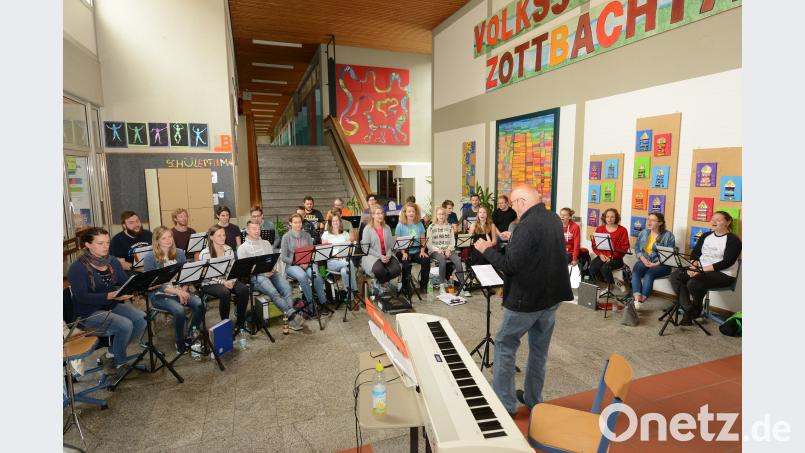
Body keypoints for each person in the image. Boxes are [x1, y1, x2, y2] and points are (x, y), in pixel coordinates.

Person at [473, 184, 572, 416]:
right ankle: (533, 398)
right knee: (539, 350)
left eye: (515, 205)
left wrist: (488, 249)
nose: (514, 210)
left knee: (505, 345)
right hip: (551, 296)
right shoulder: (553, 219)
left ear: (520, 202)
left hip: (527, 299)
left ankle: (505, 404)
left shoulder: (525, 226)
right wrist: (513, 238)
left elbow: (510, 266)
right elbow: (537, 251)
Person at [68, 227, 147, 379]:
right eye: (100, 243)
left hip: (110, 305)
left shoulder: (112, 261)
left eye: (107, 242)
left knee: (141, 319)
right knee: (125, 325)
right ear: (88, 245)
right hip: (87, 313)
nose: (105, 246)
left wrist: (137, 285)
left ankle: (111, 353)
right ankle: (119, 362)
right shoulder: (77, 268)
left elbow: (124, 282)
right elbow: (82, 296)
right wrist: (110, 296)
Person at [670, 211, 741, 325]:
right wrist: (693, 267)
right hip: (702, 270)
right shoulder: (705, 236)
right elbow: (695, 254)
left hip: (724, 274)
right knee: (676, 276)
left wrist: (700, 270)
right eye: (712, 219)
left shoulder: (733, 240)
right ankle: (690, 310)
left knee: (693, 283)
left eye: (718, 220)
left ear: (728, 222)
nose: (714, 222)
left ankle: (696, 308)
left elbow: (727, 262)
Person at [143, 226, 204, 353]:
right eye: (163, 238)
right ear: (157, 241)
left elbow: (187, 275)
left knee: (200, 305)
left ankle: (191, 333)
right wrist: (178, 292)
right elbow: (155, 283)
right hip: (160, 293)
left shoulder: (180, 253)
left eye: (170, 236)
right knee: (179, 310)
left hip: (180, 289)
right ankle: (180, 341)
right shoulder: (150, 257)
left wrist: (184, 290)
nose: (168, 240)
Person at [238, 220, 305, 331]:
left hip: (271, 272)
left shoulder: (266, 243)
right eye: (254, 229)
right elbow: (245, 269)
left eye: (258, 228)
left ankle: (288, 318)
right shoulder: (242, 248)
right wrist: (263, 272)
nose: (257, 231)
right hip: (256, 277)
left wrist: (272, 268)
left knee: (287, 288)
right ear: (247, 231)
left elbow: (271, 260)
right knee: (273, 292)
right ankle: (292, 315)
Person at [199, 225, 250, 333]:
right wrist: (223, 282)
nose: (223, 238)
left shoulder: (228, 249)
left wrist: (230, 281)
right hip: (210, 282)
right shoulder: (205, 253)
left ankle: (240, 323)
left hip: (228, 279)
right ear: (211, 237)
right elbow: (207, 276)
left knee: (244, 290)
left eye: (224, 235)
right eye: (219, 235)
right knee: (225, 293)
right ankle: (225, 324)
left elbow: (232, 269)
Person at [281, 214, 328, 307]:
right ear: (290, 223)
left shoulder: (307, 235)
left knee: (316, 275)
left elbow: (312, 251)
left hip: (308, 263)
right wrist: (298, 263)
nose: (298, 225)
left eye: (300, 222)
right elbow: (284, 257)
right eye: (295, 222)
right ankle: (311, 305)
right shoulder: (286, 237)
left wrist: (306, 262)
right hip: (292, 265)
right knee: (302, 276)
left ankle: (323, 302)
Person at [631, 212, 675, 308]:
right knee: (636, 271)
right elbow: (637, 248)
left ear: (660, 223)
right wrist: (642, 258)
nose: (649, 222)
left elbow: (669, 255)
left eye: (652, 220)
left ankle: (642, 299)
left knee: (649, 274)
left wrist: (655, 264)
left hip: (662, 264)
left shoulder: (668, 235)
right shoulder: (644, 232)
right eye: (648, 219)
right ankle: (637, 297)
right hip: (645, 260)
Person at [361, 207, 402, 296]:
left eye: (382, 213)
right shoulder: (367, 229)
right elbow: (365, 248)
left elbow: (390, 245)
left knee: (397, 269)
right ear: (373, 215)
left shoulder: (387, 227)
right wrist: (380, 256)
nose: (380, 215)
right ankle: (382, 283)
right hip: (372, 256)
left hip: (387, 254)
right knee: (379, 269)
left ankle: (381, 282)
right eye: (377, 213)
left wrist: (388, 255)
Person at [321, 213, 360, 303]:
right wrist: (336, 256)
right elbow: (324, 253)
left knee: (344, 271)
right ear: (330, 223)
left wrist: (345, 254)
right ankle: (355, 290)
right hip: (332, 262)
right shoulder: (326, 235)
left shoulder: (345, 234)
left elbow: (350, 248)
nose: (335, 222)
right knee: (350, 263)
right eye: (333, 221)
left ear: (340, 222)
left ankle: (350, 297)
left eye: (337, 220)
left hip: (344, 260)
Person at [427, 207, 465, 294]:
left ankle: (462, 286)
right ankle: (442, 286)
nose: (441, 216)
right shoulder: (431, 227)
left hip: (448, 250)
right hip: (435, 251)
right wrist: (437, 250)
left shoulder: (449, 226)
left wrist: (448, 249)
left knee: (458, 261)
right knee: (442, 260)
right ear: (436, 215)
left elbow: (452, 241)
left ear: (445, 216)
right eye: (439, 214)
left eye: (443, 214)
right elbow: (428, 243)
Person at [588, 208, 629, 290]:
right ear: (604, 218)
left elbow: (624, 248)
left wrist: (612, 257)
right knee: (592, 268)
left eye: (612, 217)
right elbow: (594, 245)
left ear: (616, 218)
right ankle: (612, 281)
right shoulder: (600, 229)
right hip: (603, 256)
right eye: (607, 217)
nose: (609, 219)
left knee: (605, 268)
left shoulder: (622, 230)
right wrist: (600, 254)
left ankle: (610, 286)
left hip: (616, 258)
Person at [394, 202, 430, 294]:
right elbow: (399, 242)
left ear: (416, 213)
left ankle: (423, 285)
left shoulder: (419, 224)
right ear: (405, 213)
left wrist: (422, 251)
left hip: (417, 251)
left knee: (426, 260)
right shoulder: (400, 225)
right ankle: (406, 287)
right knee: (406, 262)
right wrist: (403, 253)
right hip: (404, 251)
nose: (411, 213)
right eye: (409, 211)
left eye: (413, 211)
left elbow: (423, 240)